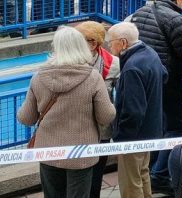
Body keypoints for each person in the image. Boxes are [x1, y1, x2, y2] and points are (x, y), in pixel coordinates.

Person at [17, 27, 116, 198]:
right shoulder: (93, 77)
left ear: (56, 47)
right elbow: (106, 116)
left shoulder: (39, 77)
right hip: (81, 152)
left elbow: (26, 118)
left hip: (48, 151)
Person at [130, 0, 182, 193]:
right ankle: (160, 174)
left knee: (153, 125)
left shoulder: (139, 12)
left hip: (143, 81)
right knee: (174, 127)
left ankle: (149, 169)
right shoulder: (176, 19)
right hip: (168, 82)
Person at [109, 22, 168, 198]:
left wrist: (121, 136)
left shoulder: (131, 68)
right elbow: (164, 75)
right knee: (143, 174)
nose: (109, 45)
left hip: (134, 137)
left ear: (123, 43)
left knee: (130, 182)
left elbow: (132, 111)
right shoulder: (150, 54)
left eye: (111, 42)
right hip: (151, 129)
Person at [75, 21, 120, 198]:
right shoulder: (69, 62)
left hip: (101, 130)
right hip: (76, 129)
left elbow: (121, 96)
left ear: (93, 44)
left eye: (79, 41)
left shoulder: (114, 64)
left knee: (96, 176)